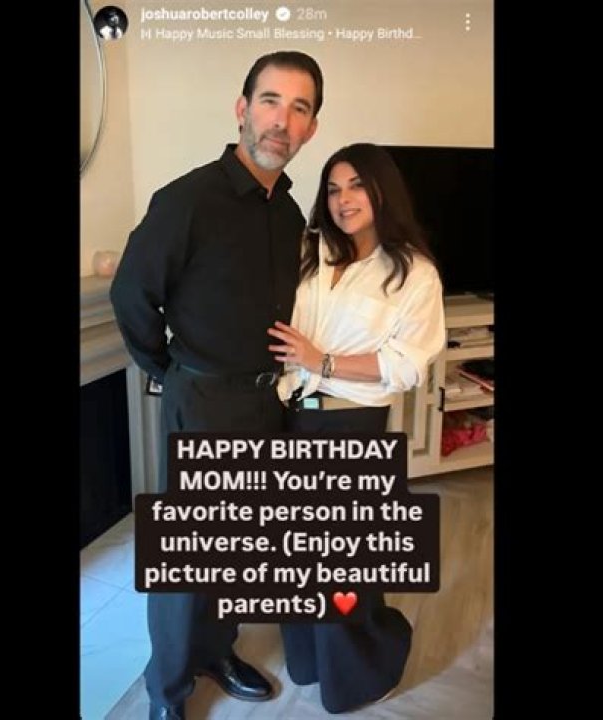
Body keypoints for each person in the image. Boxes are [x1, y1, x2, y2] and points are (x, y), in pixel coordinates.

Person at [110, 51, 323, 720]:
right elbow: (131, 295)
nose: (281, 120)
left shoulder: (289, 214)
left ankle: (215, 651)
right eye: (270, 100)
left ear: (311, 127)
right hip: (201, 399)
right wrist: (169, 370)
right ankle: (167, 694)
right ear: (242, 109)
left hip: (264, 401)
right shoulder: (187, 200)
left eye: (299, 108)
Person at [267, 142, 446, 713]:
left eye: (357, 186)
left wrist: (321, 361)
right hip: (292, 416)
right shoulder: (311, 251)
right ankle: (308, 660)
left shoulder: (413, 273)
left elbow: (406, 365)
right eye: (333, 188)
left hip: (352, 427)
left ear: (382, 191)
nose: (343, 200)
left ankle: (360, 673)